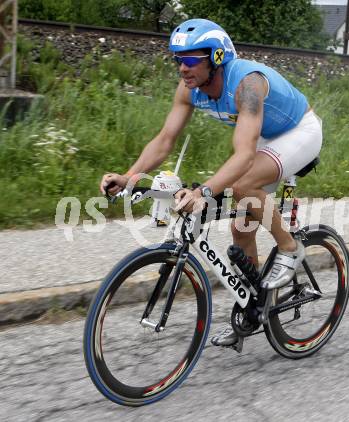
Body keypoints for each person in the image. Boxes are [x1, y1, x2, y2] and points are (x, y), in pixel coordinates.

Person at [100, 18, 323, 348]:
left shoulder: (245, 84)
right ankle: (256, 305)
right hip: (267, 137)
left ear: (216, 57)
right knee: (240, 229)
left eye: (190, 60)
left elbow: (244, 155)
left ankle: (290, 248)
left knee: (243, 185)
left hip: (300, 132)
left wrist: (203, 191)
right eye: (177, 59)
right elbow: (164, 140)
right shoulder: (190, 88)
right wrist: (130, 177)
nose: (182, 68)